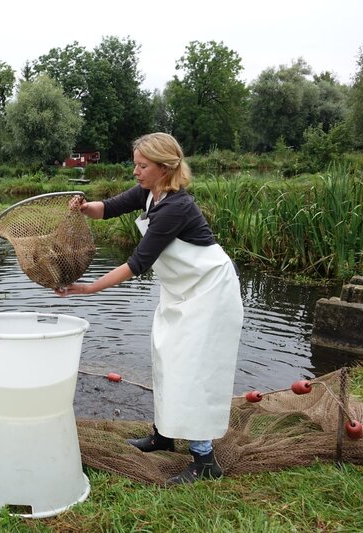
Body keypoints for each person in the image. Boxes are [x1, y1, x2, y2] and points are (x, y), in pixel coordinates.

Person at [56, 132, 243, 485]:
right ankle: (164, 435)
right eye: (135, 164)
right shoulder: (149, 194)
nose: (135, 172)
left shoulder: (176, 207)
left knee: (194, 369)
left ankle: (205, 461)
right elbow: (108, 208)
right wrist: (84, 207)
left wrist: (89, 288)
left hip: (211, 294)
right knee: (166, 356)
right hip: (183, 291)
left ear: (165, 167)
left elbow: (138, 262)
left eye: (142, 166)